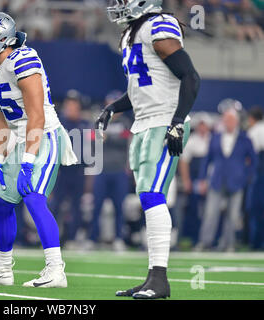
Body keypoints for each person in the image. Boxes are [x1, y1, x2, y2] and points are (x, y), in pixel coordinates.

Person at [0, 11, 77, 288]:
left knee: (33, 197)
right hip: (19, 136)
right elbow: (1, 114)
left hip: (45, 135)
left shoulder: (24, 59)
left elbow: (36, 115)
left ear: (3, 39)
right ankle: (2, 268)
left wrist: (27, 162)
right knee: (0, 201)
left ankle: (56, 270)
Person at [96, 0, 200, 299]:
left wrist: (178, 121)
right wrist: (113, 108)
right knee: (146, 197)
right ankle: (151, 278)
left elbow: (190, 76)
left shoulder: (158, 25)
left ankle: (160, 280)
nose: (117, 4)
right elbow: (143, 87)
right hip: (144, 123)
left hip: (165, 120)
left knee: (154, 195)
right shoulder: (131, 33)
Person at [195, 107, 256, 252]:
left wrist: (246, 176)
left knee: (233, 215)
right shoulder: (215, 137)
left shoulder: (245, 139)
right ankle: (205, 242)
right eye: (226, 120)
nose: (229, 123)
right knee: (210, 213)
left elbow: (253, 161)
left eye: (231, 120)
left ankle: (228, 244)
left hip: (236, 181)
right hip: (217, 180)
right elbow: (207, 159)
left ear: (236, 122)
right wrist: (202, 179)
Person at [89, 90, 132, 251]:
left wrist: (109, 139)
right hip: (102, 170)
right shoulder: (100, 122)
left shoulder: (126, 123)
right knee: (97, 206)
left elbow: (125, 141)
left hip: (119, 170)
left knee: (119, 207)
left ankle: (119, 238)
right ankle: (93, 238)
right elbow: (93, 143)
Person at [49, 89, 90, 247]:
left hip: (78, 170)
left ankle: (72, 238)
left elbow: (91, 149)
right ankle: (50, 238)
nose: (71, 107)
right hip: (61, 171)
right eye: (69, 104)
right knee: (55, 205)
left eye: (74, 104)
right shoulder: (58, 123)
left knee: (76, 206)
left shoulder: (85, 124)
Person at [178, 112, 212, 245]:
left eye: (205, 125)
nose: (202, 128)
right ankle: (194, 238)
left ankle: (210, 239)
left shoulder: (214, 139)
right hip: (195, 178)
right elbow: (184, 162)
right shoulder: (191, 140)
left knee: (210, 211)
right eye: (200, 125)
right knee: (195, 209)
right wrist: (187, 181)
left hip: (211, 180)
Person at [246, 106, 264, 249]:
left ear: (252, 118)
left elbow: (250, 157)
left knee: (256, 207)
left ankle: (256, 242)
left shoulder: (254, 131)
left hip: (259, 172)